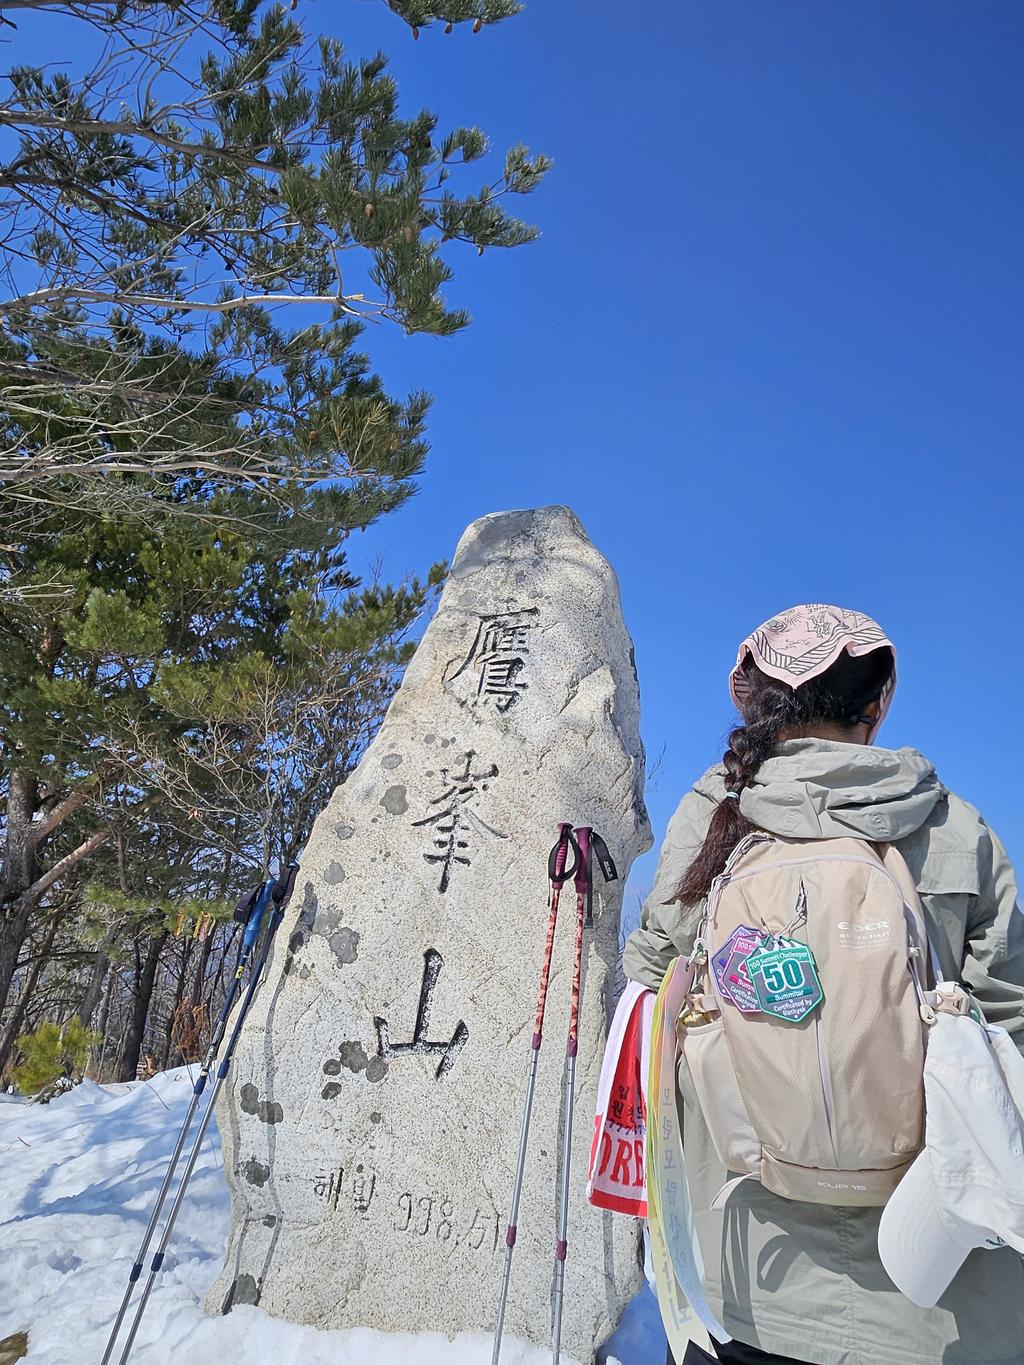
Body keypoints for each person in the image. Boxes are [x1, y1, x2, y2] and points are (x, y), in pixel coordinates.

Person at [622, 604, 1024, 1365]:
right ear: (878, 703)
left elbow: (651, 995)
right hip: (939, 1301)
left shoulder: (713, 818)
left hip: (747, 1276)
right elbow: (1012, 1027)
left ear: (755, 702)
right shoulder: (954, 828)